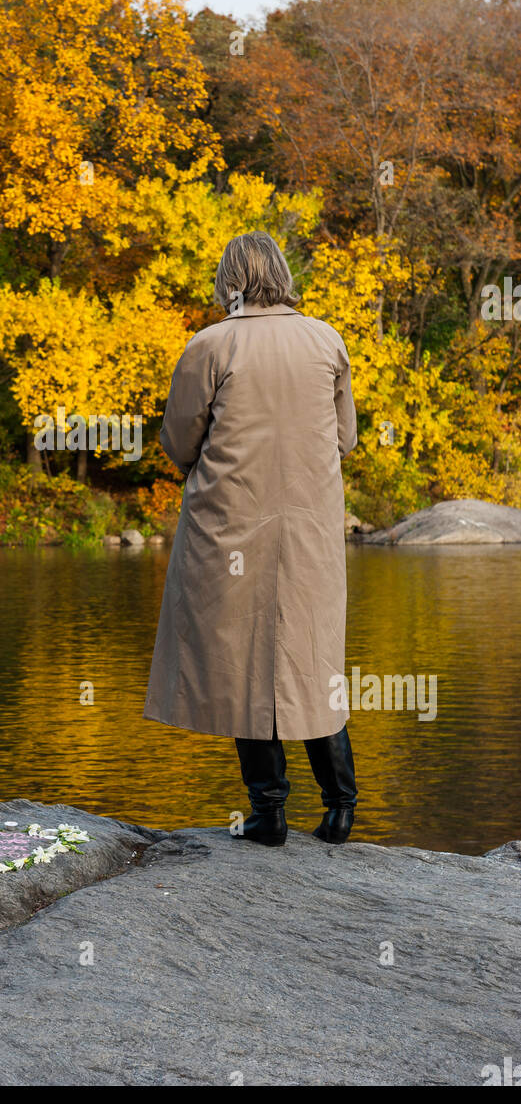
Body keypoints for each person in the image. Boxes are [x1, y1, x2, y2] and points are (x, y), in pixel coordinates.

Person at [143, 231, 358, 846]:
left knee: (241, 663)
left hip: (229, 525)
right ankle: (341, 806)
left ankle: (269, 813)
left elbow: (180, 440)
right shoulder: (327, 340)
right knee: (312, 660)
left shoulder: (212, 344)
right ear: (282, 274)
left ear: (230, 279)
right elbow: (343, 439)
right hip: (309, 530)